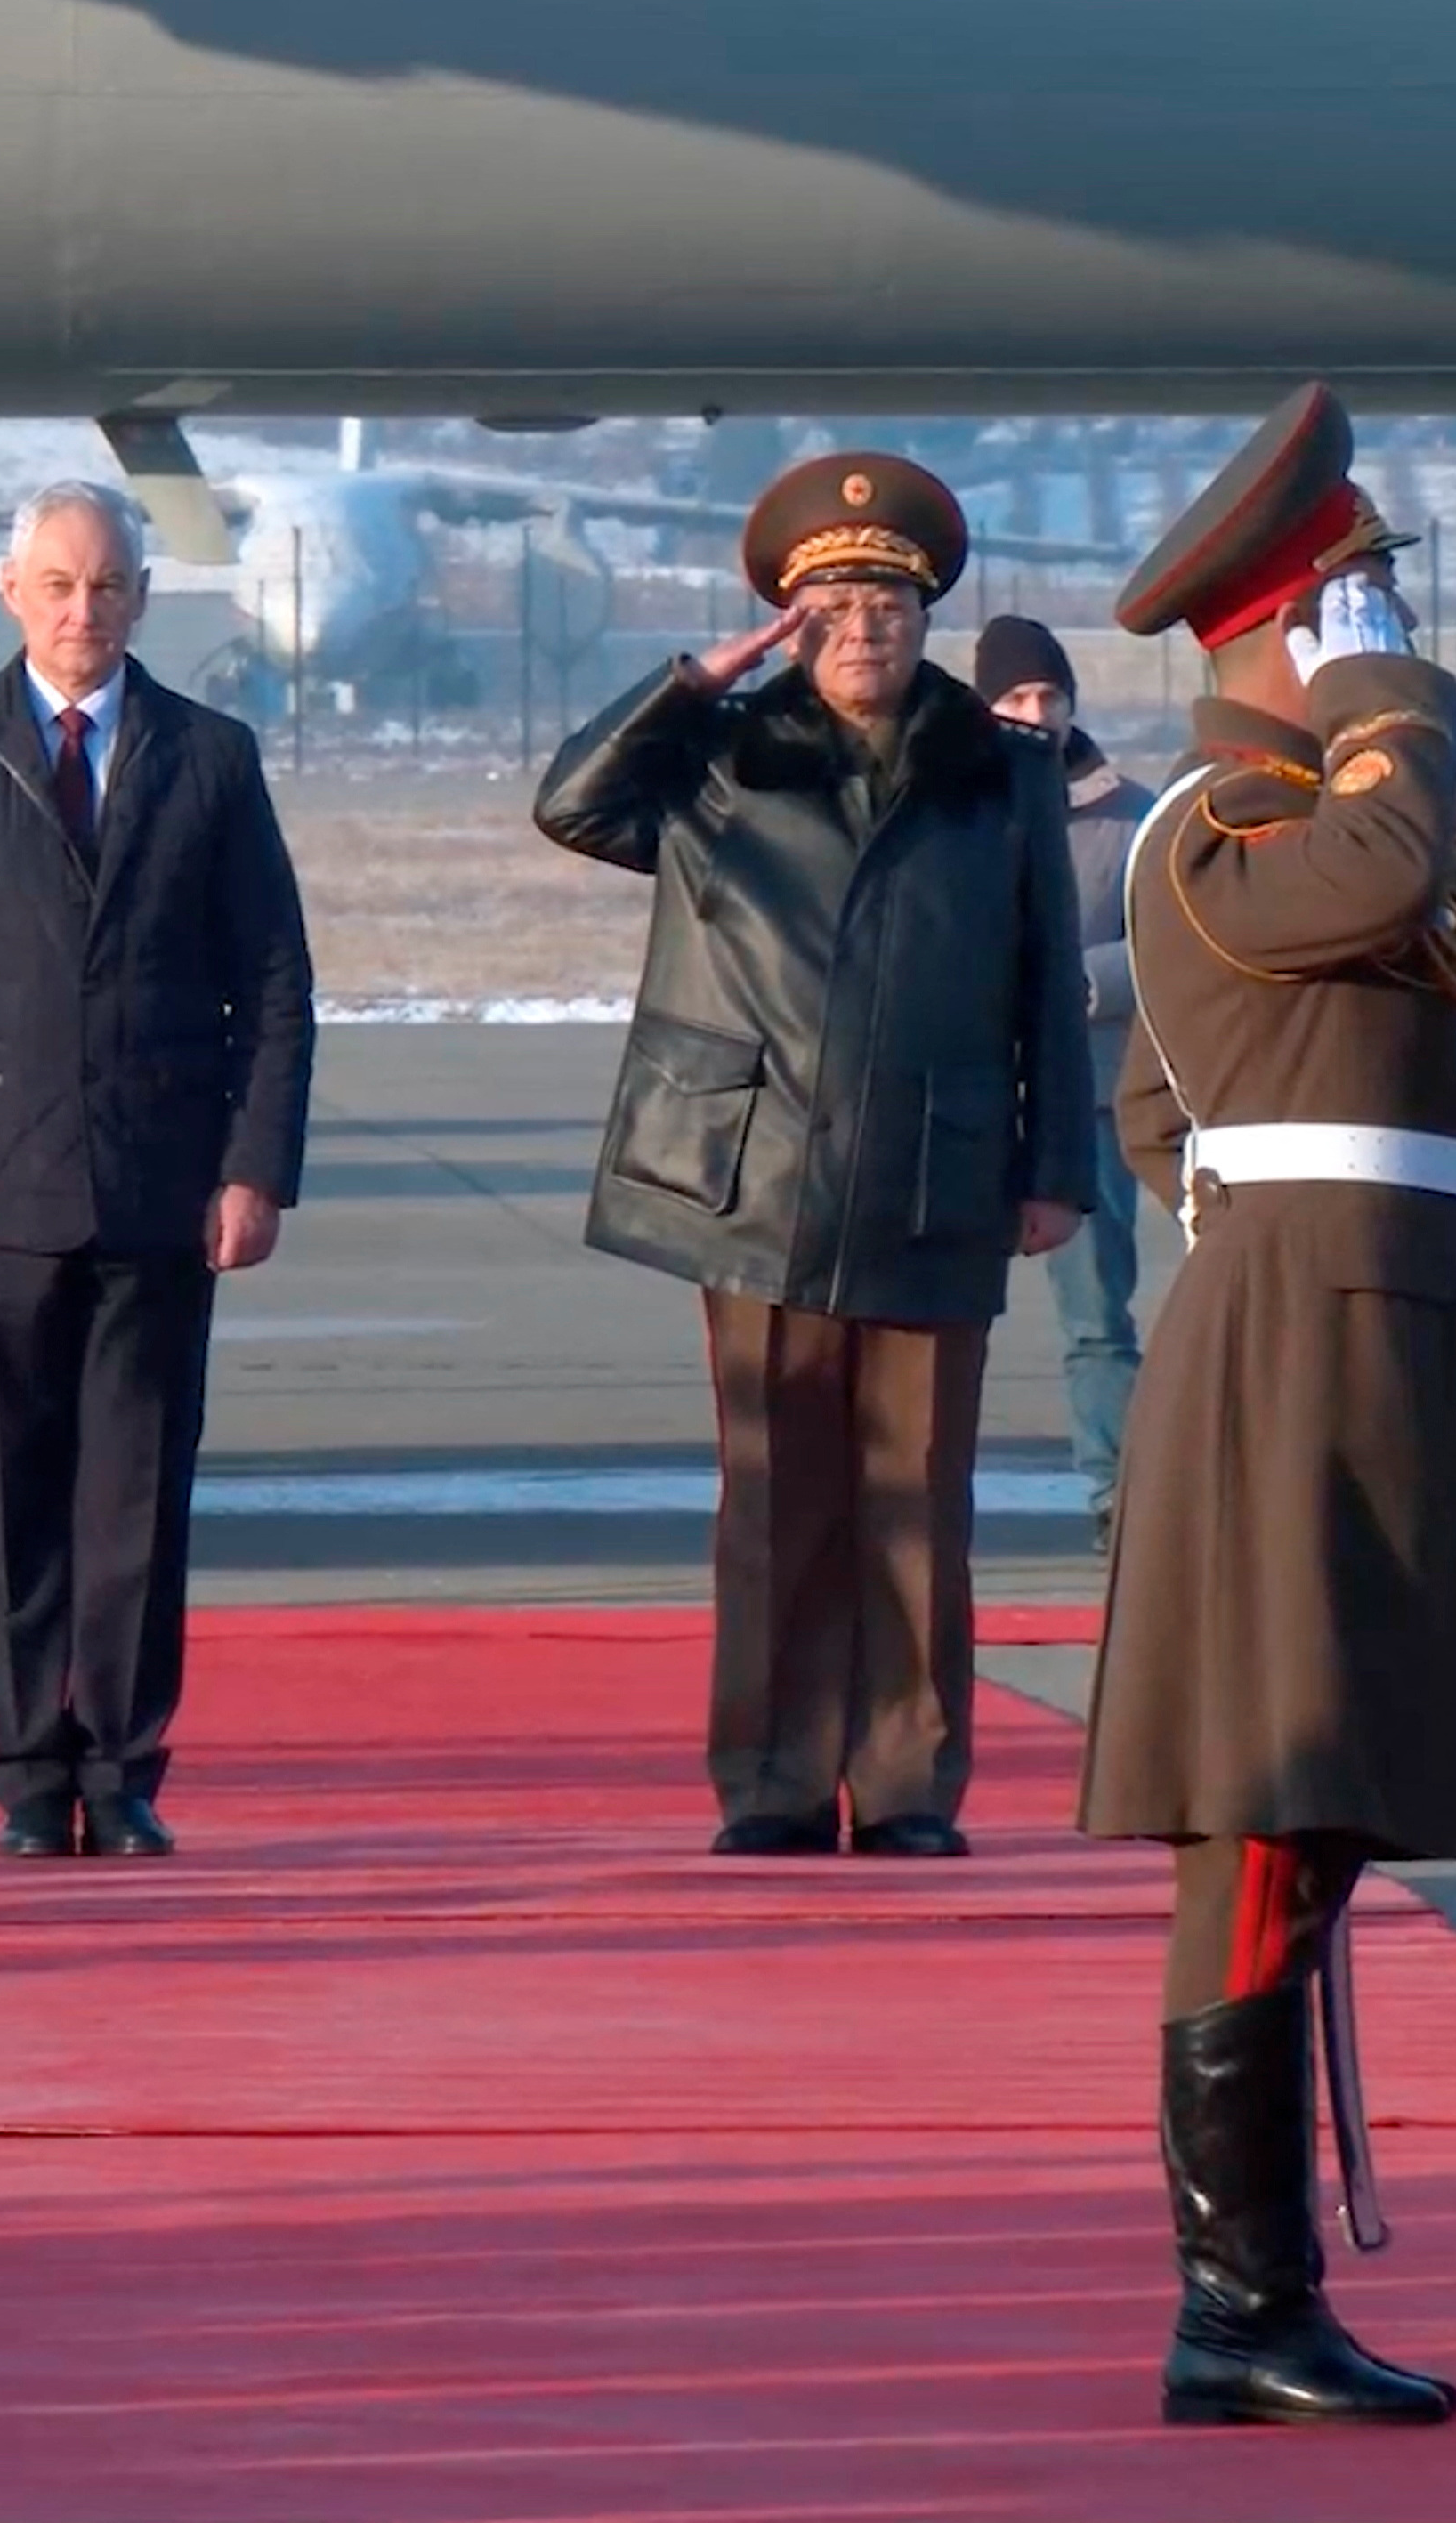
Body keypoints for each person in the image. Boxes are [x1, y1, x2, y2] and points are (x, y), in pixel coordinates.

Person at [1075, 380, 1456, 2427]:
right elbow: (1370, 876)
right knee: (1271, 1814)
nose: (1379, 631)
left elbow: (1148, 1107)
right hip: (1312, 1350)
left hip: (1380, 1334)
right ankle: (1233, 2302)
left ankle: (1249, 2295)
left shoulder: (1324, 831)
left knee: (1324, 1810)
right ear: (1275, 631)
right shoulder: (1227, 831)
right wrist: (1407, 712)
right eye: (1349, 600)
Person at [534, 454, 1093, 1861]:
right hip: (754, 1171)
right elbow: (572, 804)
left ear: (929, 618)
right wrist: (691, 681)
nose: (866, 630)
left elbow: (1047, 984)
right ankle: (773, 1781)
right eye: (835, 604)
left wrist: (1053, 1169)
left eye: (891, 603)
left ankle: (908, 1782)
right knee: (778, 1501)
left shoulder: (1003, 771)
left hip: (933, 1171)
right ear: (790, 620)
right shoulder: (718, 756)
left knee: (917, 1499)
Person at [0, 480, 317, 1860]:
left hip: (163, 1190)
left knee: (139, 1497)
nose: (80, 611)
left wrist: (254, 1166)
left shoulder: (208, 757)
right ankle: (31, 1777)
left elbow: (273, 980)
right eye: (57, 585)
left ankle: (122, 1764)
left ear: (141, 601)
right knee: (20, 1497)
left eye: (105, 587)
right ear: (11, 594)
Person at [975, 612, 1157, 1547]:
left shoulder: (1130, 814)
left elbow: (1173, 936)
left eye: (1049, 694)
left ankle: (1114, 1496)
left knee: (1096, 1315)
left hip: (1084, 1095)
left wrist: (1087, 982)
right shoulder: (949, 799)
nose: (1035, 712)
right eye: (1013, 696)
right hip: (963, 1095)